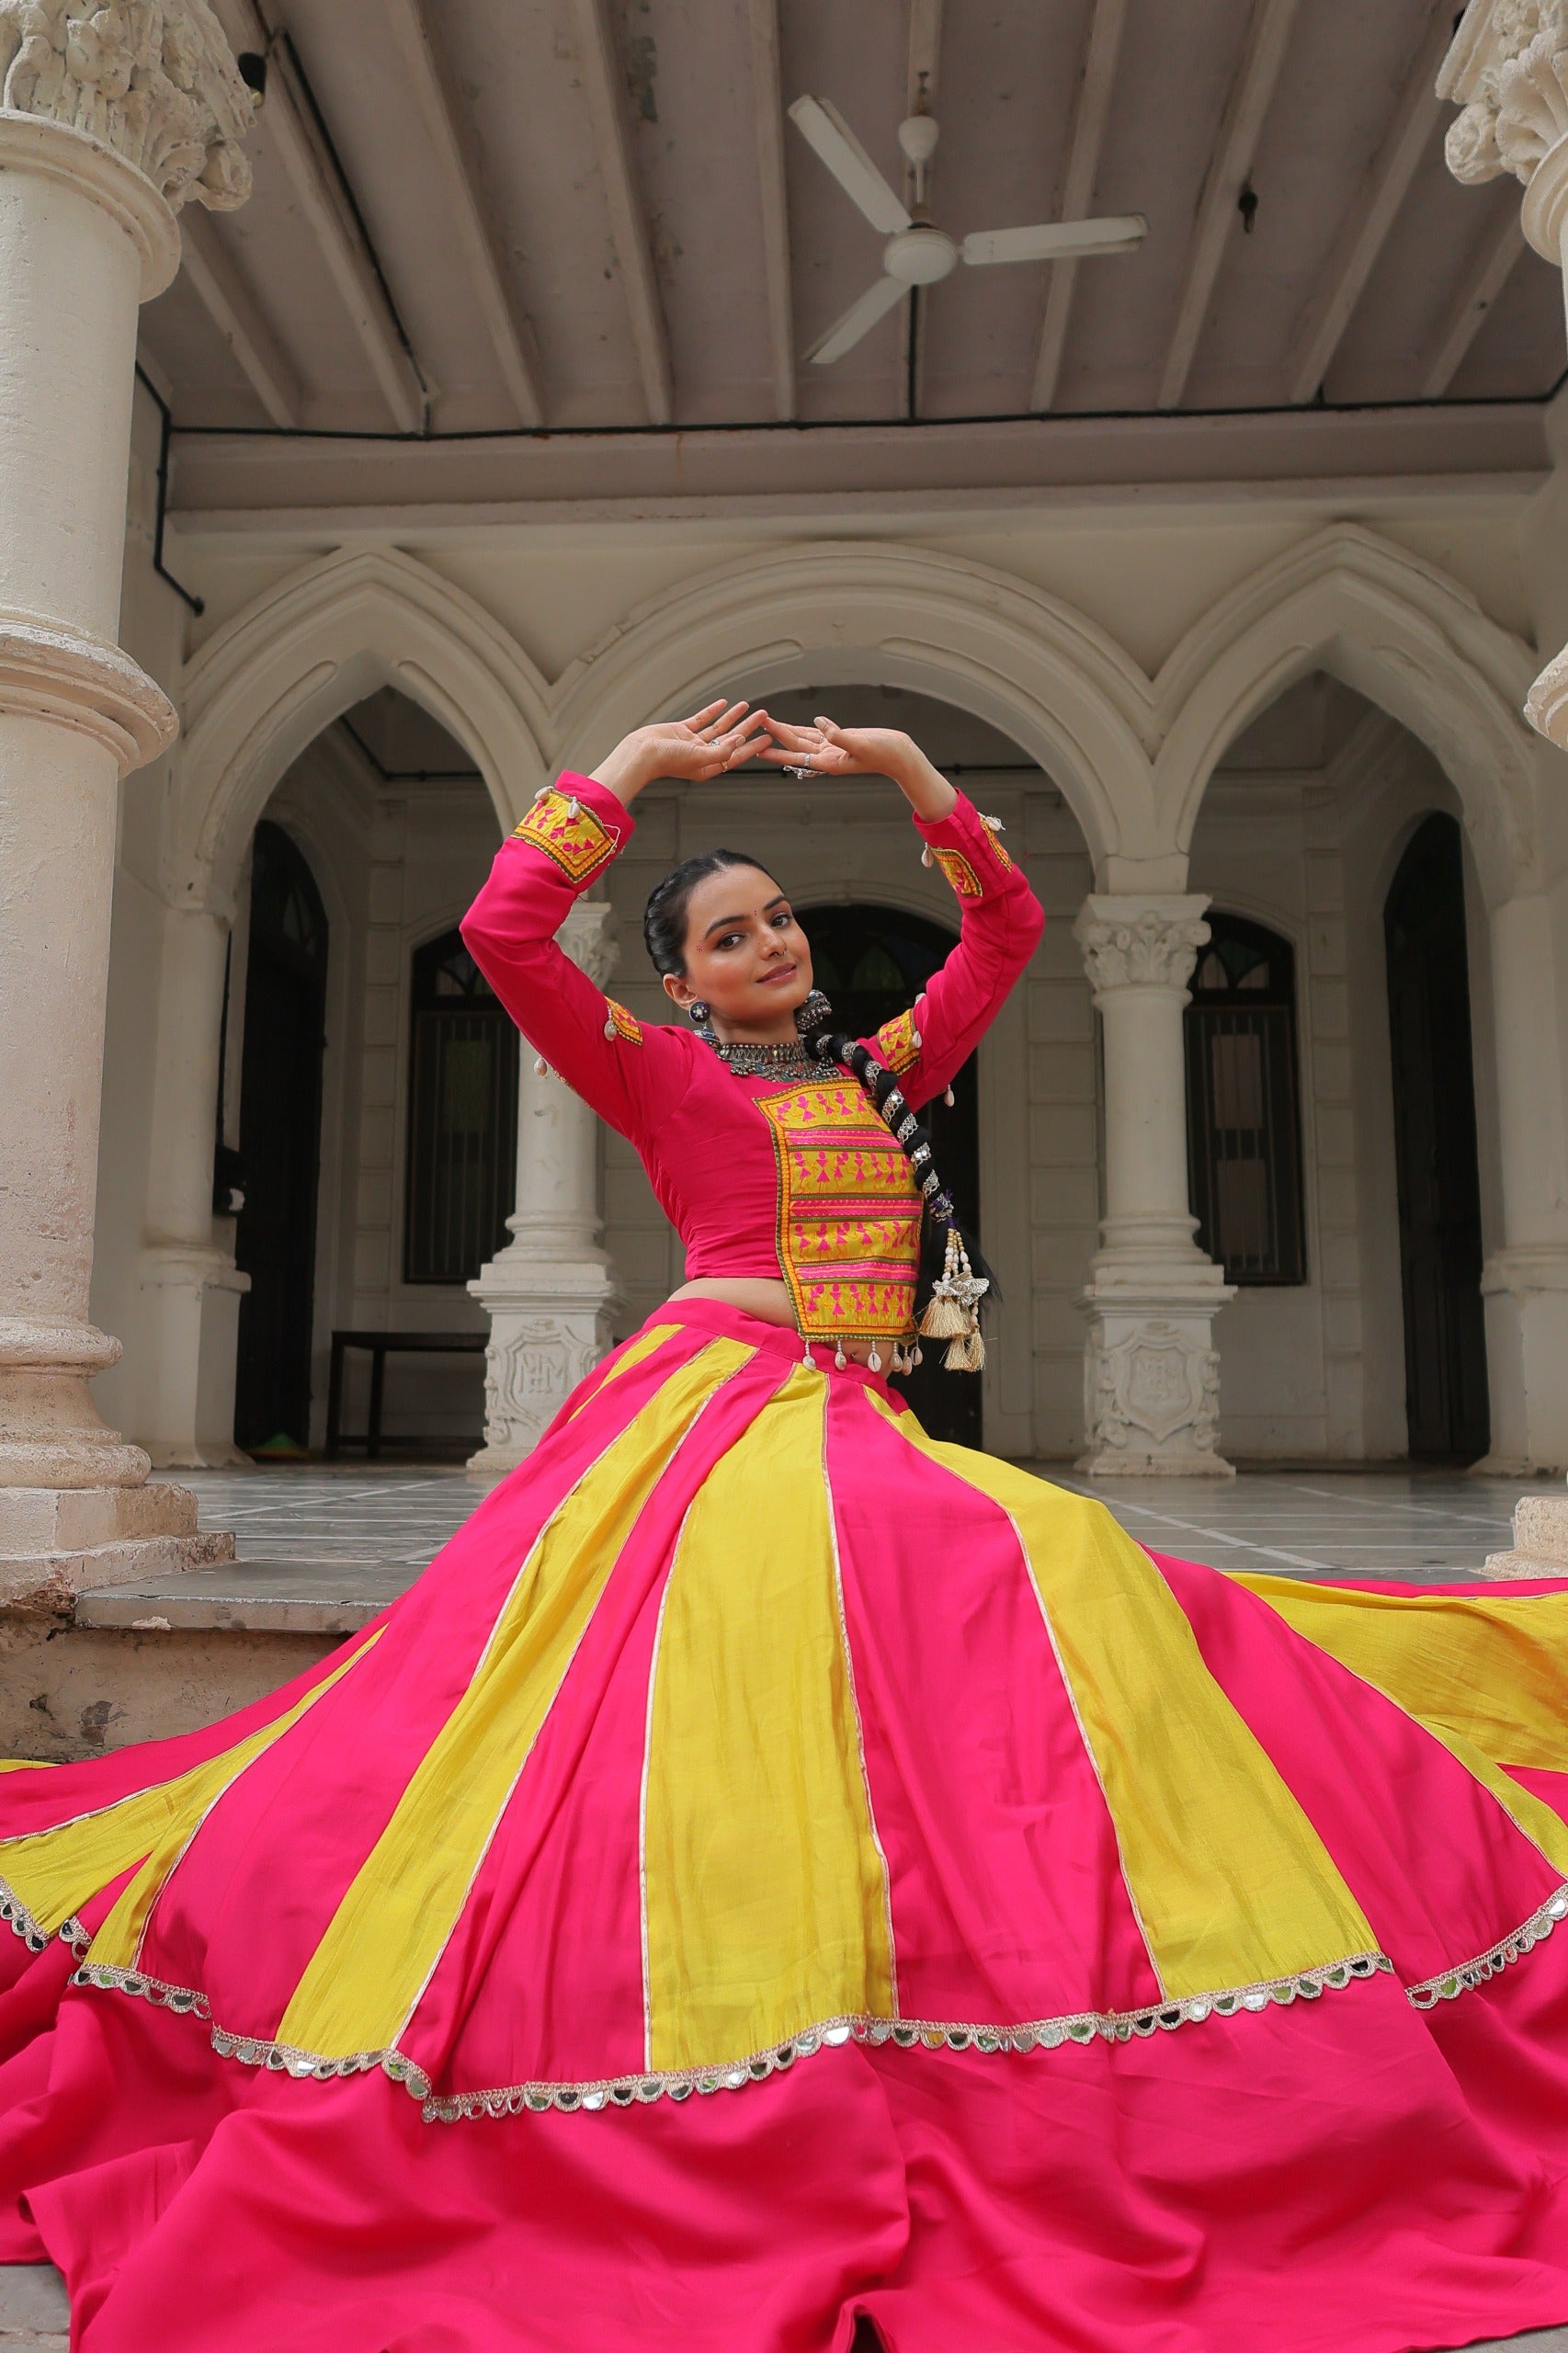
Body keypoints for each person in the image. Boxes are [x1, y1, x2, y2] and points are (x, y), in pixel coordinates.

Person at [0, 705, 1566, 2353]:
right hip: (716, 1398)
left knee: (1019, 1569)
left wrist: (906, 776)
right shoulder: (655, 1069)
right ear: (682, 984)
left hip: (843, 1403)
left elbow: (1005, 930)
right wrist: (627, 771)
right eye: (728, 935)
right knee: (988, 1556)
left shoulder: (881, 1073)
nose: (769, 944)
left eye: (777, 920)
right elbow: (503, 933)